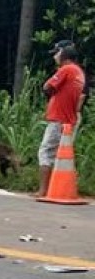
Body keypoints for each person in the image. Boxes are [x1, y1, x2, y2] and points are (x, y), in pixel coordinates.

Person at [36, 42, 85, 199]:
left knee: (46, 151)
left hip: (58, 118)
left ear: (63, 55)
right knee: (61, 154)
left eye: (57, 54)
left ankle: (43, 190)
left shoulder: (66, 69)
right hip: (69, 119)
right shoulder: (79, 72)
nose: (54, 56)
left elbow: (47, 86)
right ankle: (57, 188)